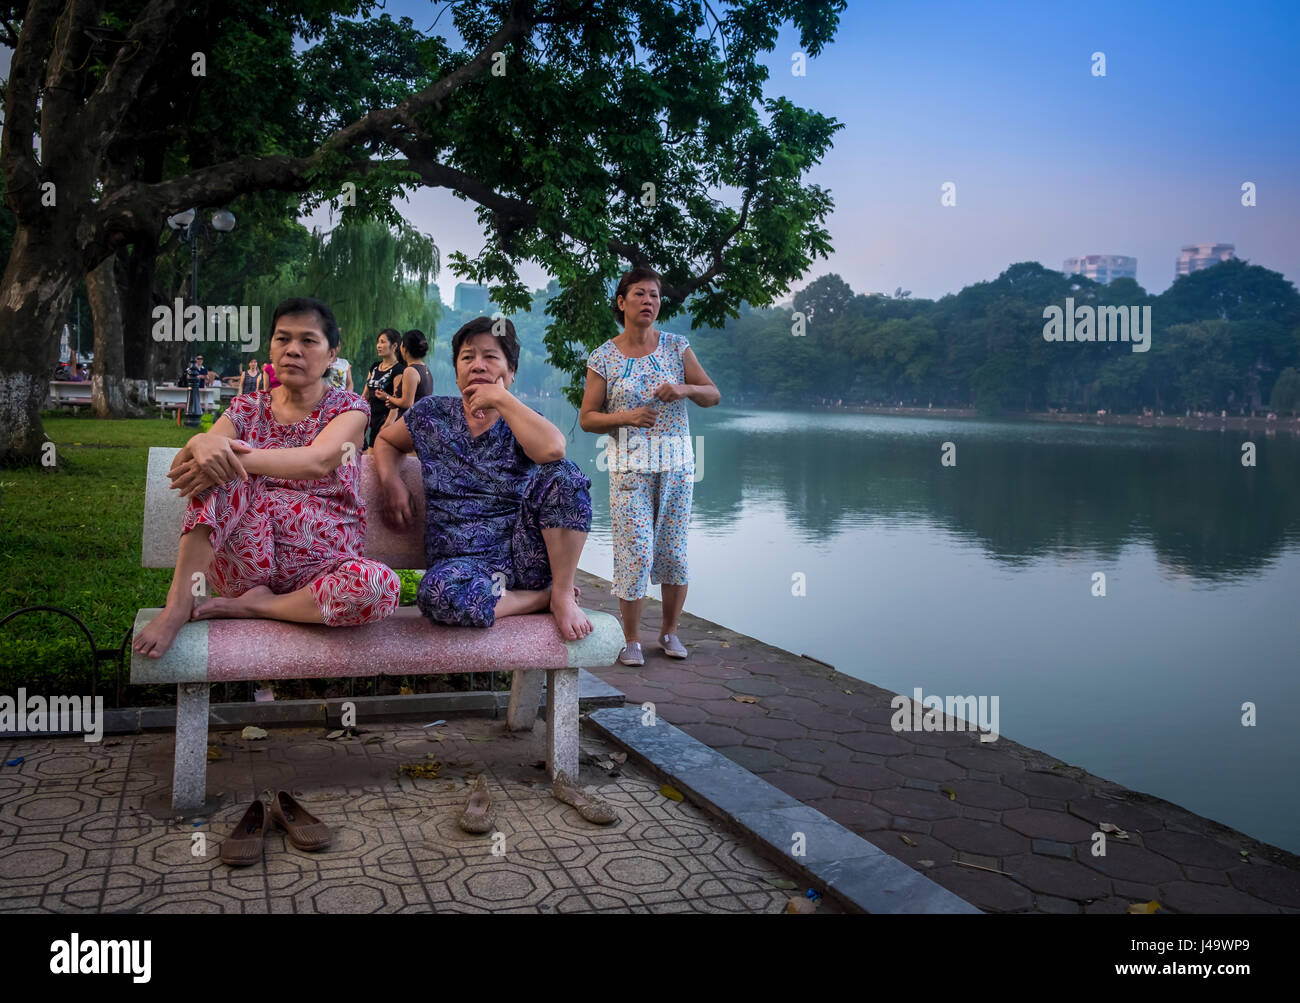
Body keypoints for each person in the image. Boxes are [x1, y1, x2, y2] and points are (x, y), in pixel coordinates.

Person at [131, 296, 401, 660]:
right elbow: (190, 464)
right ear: (271, 347)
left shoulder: (350, 409)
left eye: (308, 341)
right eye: (282, 339)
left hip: (323, 570)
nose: (293, 350)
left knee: (379, 587)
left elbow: (317, 461)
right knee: (222, 470)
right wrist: (199, 441)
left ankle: (257, 607)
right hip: (245, 566)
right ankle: (178, 604)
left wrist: (228, 451)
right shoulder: (246, 408)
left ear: (332, 352)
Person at [373, 316, 593, 640]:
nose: (478, 365)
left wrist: (502, 400)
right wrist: (391, 480)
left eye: (491, 357)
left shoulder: (522, 421)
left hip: (524, 557)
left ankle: (560, 593)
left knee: (566, 475)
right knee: (436, 593)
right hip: (460, 569)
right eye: (467, 357)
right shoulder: (431, 415)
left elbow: (554, 451)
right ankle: (542, 600)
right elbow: (386, 440)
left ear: (512, 371)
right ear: (457, 370)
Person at [579, 266, 720, 665]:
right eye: (639, 294)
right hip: (629, 469)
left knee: (673, 553)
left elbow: (713, 394)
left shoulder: (677, 347)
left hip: (677, 467)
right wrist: (626, 416)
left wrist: (685, 388)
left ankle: (670, 633)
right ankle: (631, 640)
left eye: (655, 295)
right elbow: (588, 417)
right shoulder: (604, 356)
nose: (648, 301)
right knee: (636, 551)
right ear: (621, 302)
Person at [380, 329, 433, 425]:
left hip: (410, 424)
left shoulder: (410, 371)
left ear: (404, 348)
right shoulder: (425, 369)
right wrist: (395, 402)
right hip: (421, 421)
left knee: (380, 438)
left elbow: (407, 403)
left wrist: (387, 397)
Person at [363, 328, 404, 450]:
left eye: (382, 342)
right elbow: (365, 395)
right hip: (371, 419)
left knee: (374, 456)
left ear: (394, 346)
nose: (378, 346)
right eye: (378, 342)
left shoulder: (399, 370)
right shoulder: (375, 367)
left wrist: (388, 424)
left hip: (385, 420)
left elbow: (398, 400)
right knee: (364, 456)